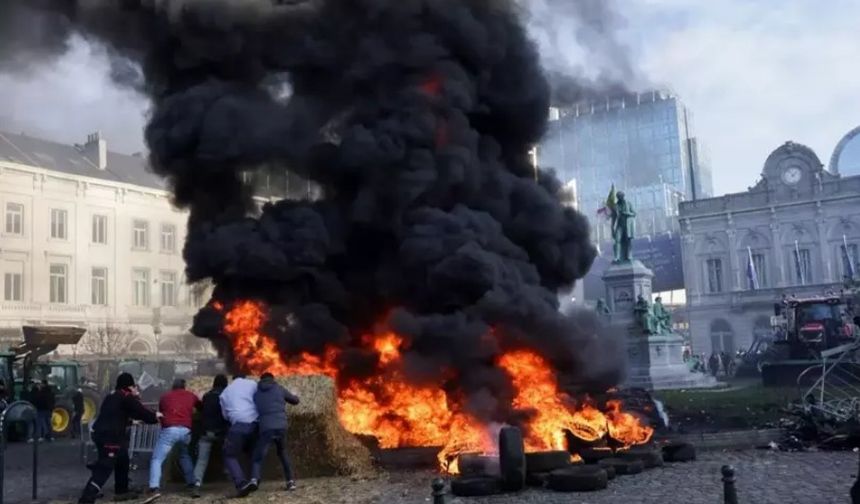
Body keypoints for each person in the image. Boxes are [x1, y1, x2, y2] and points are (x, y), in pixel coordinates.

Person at [78, 373, 160, 504]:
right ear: (129, 386)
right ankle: (87, 498)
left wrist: (130, 422)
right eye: (134, 386)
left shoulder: (112, 396)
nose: (135, 388)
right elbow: (141, 411)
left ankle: (122, 490)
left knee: (122, 459)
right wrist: (155, 416)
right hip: (110, 437)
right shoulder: (126, 397)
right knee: (105, 467)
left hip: (100, 433)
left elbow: (114, 415)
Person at [144, 378, 202, 503]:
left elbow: (162, 411)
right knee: (184, 456)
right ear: (184, 386)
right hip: (186, 430)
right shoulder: (190, 395)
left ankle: (154, 487)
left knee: (157, 459)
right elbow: (201, 406)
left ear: (173, 386)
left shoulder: (165, 397)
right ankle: (192, 484)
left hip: (170, 430)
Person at [251, 373, 300, 491]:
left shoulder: (256, 393)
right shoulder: (279, 389)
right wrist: (296, 394)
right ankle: (290, 481)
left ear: (261, 380)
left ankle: (254, 480)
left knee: (258, 456)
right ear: (273, 379)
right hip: (281, 426)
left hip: (266, 427)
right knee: (283, 453)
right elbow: (295, 401)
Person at [220, 375, 260, 497]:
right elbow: (260, 400)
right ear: (245, 376)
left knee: (229, 454)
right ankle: (254, 478)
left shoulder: (225, 392)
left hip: (238, 426)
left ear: (233, 378)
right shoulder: (253, 384)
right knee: (254, 453)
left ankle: (241, 483)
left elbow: (225, 416)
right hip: (255, 423)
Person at [192, 374, 229, 493]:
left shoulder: (207, 396)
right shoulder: (226, 396)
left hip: (206, 432)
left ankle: (196, 484)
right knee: (230, 453)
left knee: (201, 460)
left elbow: (201, 410)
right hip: (221, 433)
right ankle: (230, 475)